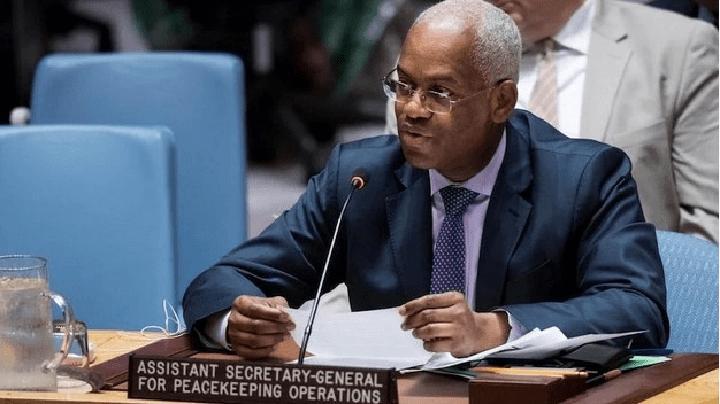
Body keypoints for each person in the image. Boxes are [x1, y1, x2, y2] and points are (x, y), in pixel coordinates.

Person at [183, 0, 668, 359]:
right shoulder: (360, 177)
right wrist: (234, 322)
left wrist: (494, 329)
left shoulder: (583, 178)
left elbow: (636, 309)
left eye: (440, 93)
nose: (411, 110)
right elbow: (225, 280)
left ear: (501, 101)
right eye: (403, 85)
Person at [389, 0, 719, 242]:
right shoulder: (432, 49)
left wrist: (642, 296)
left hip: (627, 300)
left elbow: (709, 223)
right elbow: (399, 204)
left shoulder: (679, 47)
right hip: (465, 296)